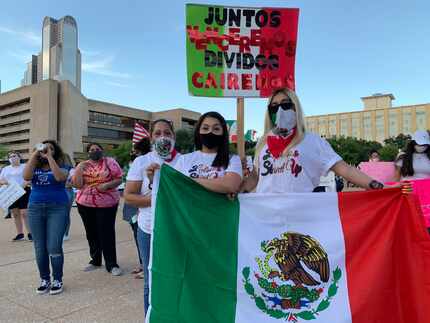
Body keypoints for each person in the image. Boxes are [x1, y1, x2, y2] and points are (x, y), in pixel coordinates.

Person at [241, 88, 384, 194]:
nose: (280, 111)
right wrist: (238, 190)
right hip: (266, 216)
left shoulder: (313, 141)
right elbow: (255, 176)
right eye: (274, 106)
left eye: (285, 104)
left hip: (301, 217)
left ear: (295, 108)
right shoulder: (263, 142)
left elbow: (346, 170)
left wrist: (379, 187)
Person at [124, 119, 180, 315]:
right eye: (157, 133)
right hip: (148, 229)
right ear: (151, 137)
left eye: (167, 132)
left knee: (178, 276)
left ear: (173, 136)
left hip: (177, 230)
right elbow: (129, 196)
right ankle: (151, 316)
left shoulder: (184, 161)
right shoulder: (141, 161)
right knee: (151, 279)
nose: (163, 137)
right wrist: (153, 186)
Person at [23, 140, 69, 295]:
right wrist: (35, 154)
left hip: (57, 208)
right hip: (35, 208)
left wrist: (49, 157)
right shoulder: (34, 166)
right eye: (43, 148)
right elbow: (26, 176)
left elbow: (59, 178)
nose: (45, 150)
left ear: (55, 151)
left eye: (50, 148)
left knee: (54, 246)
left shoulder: (63, 166)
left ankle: (57, 279)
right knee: (39, 247)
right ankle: (45, 279)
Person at [72, 143, 123, 276]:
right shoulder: (83, 165)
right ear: (88, 152)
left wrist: (107, 185)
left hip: (107, 203)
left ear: (102, 151)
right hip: (85, 203)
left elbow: (119, 179)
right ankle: (95, 260)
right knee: (91, 233)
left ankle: (111, 264)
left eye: (97, 149)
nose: (94, 151)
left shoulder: (110, 162)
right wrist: (78, 169)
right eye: (91, 150)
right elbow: (77, 185)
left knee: (106, 233)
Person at [172, 111, 242, 193]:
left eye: (216, 129)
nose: (210, 132)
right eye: (205, 128)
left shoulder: (233, 159)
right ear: (198, 131)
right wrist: (219, 185)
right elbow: (174, 185)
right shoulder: (184, 159)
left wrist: (188, 181)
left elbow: (230, 185)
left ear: (223, 133)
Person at [122, 137, 151, 279]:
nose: (133, 151)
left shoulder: (143, 162)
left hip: (142, 209)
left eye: (135, 149)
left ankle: (144, 265)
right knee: (137, 233)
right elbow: (129, 193)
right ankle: (143, 264)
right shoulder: (137, 162)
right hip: (137, 209)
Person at [0, 151, 32, 241]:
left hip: (24, 191)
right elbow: (1, 180)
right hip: (11, 192)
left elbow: (30, 178)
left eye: (14, 156)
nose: (12, 158)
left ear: (19, 157)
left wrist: (23, 186)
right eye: (10, 156)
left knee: (25, 213)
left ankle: (30, 233)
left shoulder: (25, 166)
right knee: (16, 214)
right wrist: (5, 182)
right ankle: (20, 234)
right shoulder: (6, 169)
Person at [63, 154, 75, 241]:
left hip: (67, 191)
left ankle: (65, 233)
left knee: (65, 213)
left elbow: (72, 182)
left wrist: (68, 183)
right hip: (61, 191)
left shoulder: (71, 169)